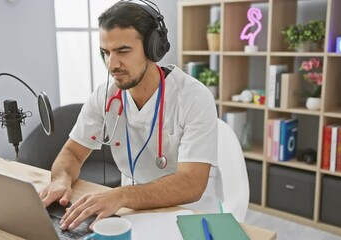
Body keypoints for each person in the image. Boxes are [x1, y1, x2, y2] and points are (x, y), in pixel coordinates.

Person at [40, 0, 221, 231]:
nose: (112, 64)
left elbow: (192, 184)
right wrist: (61, 179)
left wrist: (122, 195)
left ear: (153, 48)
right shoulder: (105, 96)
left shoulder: (194, 97)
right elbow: (73, 153)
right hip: (133, 212)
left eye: (122, 51)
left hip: (193, 216)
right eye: (105, 53)